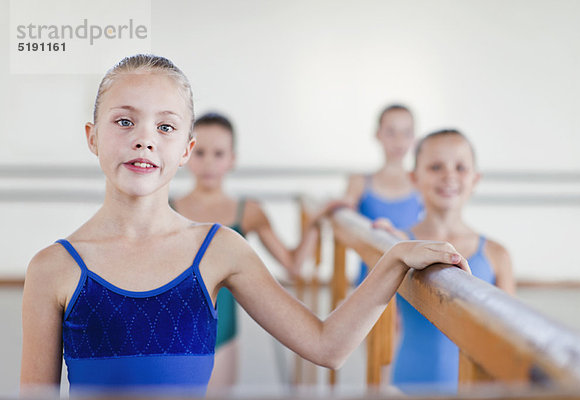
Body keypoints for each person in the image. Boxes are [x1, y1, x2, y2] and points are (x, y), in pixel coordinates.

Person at [20, 54, 470, 396]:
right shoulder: (52, 269)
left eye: (166, 127)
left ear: (185, 149)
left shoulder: (221, 249)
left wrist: (393, 261)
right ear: (92, 136)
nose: (144, 138)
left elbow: (327, 346)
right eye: (124, 121)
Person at [171, 112, 321, 388]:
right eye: (201, 152)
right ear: (186, 153)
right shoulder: (165, 209)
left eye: (219, 153)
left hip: (223, 338)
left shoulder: (249, 212)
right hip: (168, 336)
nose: (209, 163)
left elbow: (292, 265)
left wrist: (314, 224)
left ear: (232, 159)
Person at [374, 129, 515, 394]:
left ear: (475, 179)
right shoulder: (399, 245)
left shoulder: (497, 255)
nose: (449, 176)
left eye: (460, 167)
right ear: (414, 178)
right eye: (436, 166)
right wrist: (383, 243)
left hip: (475, 390)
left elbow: (508, 341)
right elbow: (379, 318)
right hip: (408, 383)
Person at [344, 105, 423, 284]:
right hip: (370, 280)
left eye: (406, 132)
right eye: (391, 132)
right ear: (378, 134)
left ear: (414, 138)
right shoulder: (359, 182)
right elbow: (345, 225)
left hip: (411, 281)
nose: (399, 140)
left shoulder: (421, 184)